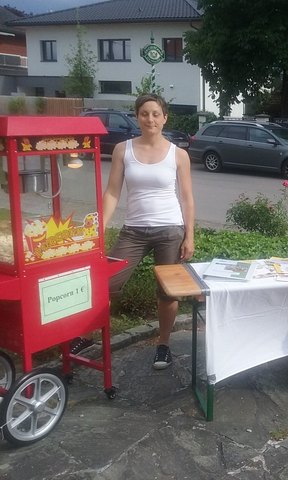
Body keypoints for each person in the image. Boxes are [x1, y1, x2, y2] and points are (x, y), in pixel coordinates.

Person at [69, 93, 195, 370]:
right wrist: (98, 229)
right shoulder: (123, 150)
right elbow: (113, 192)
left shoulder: (179, 155)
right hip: (134, 231)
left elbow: (186, 197)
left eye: (155, 114)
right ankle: (87, 336)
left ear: (164, 118)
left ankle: (163, 345)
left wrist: (190, 235)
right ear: (137, 117)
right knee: (107, 283)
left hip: (170, 229)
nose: (150, 119)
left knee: (167, 291)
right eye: (144, 113)